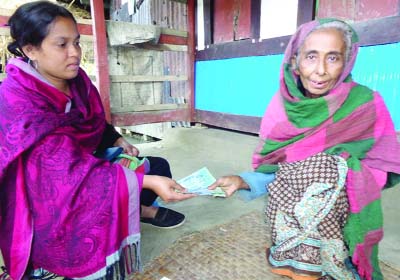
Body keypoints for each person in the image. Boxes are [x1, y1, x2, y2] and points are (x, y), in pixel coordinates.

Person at [0, 1, 194, 279]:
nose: (75, 53)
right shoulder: (17, 99)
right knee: (100, 200)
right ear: (31, 49)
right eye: (62, 44)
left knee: (157, 166)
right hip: (42, 192)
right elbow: (60, 172)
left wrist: (116, 140)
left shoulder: (77, 82)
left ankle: (138, 209)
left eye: (77, 43)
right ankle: (45, 261)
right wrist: (144, 183)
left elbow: (92, 124)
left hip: (82, 165)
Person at [210, 19, 400, 279]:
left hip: (341, 207)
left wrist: (341, 171)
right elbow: (274, 167)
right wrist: (243, 181)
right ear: (295, 62)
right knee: (304, 176)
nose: (320, 70)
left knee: (323, 170)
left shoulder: (365, 103)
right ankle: (293, 260)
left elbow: (384, 165)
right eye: (311, 57)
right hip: (289, 211)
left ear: (347, 61)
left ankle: (335, 261)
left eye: (333, 58)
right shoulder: (280, 108)